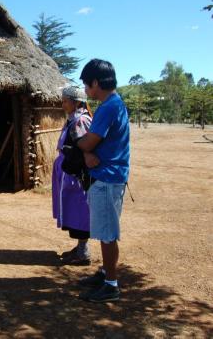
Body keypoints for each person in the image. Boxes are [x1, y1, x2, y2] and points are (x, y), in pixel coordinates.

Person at [76, 59, 130, 303]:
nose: (86, 91)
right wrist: (87, 151)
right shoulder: (114, 104)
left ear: (96, 83)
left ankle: (111, 285)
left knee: (108, 234)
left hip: (107, 178)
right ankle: (105, 273)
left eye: (87, 85)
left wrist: (80, 144)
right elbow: (93, 144)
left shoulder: (108, 107)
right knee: (105, 230)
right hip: (110, 176)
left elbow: (88, 141)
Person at [52, 86, 93, 265]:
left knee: (80, 210)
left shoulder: (80, 121)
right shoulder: (72, 120)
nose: (63, 104)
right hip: (69, 173)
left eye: (65, 101)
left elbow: (87, 149)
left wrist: (77, 170)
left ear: (76, 102)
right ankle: (80, 247)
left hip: (77, 175)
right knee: (73, 210)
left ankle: (83, 252)